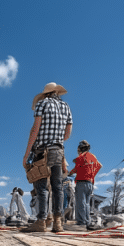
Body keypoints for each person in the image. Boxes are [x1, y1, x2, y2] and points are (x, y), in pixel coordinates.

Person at [23, 83, 72, 233]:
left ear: (46, 93)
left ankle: (41, 221)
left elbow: (35, 129)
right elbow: (67, 134)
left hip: (42, 151)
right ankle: (58, 223)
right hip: (58, 150)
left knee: (42, 187)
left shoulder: (42, 104)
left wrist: (27, 154)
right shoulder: (66, 107)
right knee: (58, 187)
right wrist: (56, 139)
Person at [67, 140, 102, 229]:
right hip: (90, 183)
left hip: (81, 183)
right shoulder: (92, 156)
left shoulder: (81, 157)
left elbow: (76, 169)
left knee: (81, 203)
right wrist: (92, 175)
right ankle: (87, 221)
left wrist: (69, 173)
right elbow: (99, 165)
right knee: (86, 203)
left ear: (80, 149)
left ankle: (82, 222)